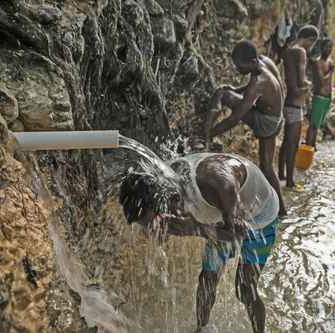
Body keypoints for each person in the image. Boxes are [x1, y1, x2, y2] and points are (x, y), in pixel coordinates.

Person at [119, 152, 281, 333]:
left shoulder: (218, 183)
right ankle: (201, 329)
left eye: (152, 222)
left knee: (245, 290)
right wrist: (169, 227)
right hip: (222, 219)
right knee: (207, 279)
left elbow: (237, 233)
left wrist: (193, 228)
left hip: (260, 217)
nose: (151, 228)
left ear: (160, 204)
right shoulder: (161, 185)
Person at [206, 40, 286, 216]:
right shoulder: (264, 61)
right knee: (267, 166)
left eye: (238, 65)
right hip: (276, 117)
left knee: (224, 94)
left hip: (267, 122)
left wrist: (209, 134)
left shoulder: (258, 81)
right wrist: (238, 88)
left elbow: (235, 118)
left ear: (250, 62)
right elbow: (261, 88)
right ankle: (282, 210)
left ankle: (279, 209)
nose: (237, 69)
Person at [278, 25, 318, 189]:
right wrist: (308, 85)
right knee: (293, 144)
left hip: (286, 101)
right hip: (295, 102)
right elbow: (301, 81)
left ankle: (281, 173)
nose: (311, 47)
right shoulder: (301, 52)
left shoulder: (288, 50)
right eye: (312, 43)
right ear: (310, 39)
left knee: (286, 141)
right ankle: (290, 181)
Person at [305, 37, 334, 149]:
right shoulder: (318, 62)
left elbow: (330, 82)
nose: (329, 49)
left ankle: (313, 144)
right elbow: (321, 81)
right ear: (322, 48)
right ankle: (308, 145)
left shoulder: (329, 62)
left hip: (327, 97)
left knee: (317, 125)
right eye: (327, 47)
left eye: (331, 47)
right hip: (319, 97)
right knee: (313, 125)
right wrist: (330, 72)